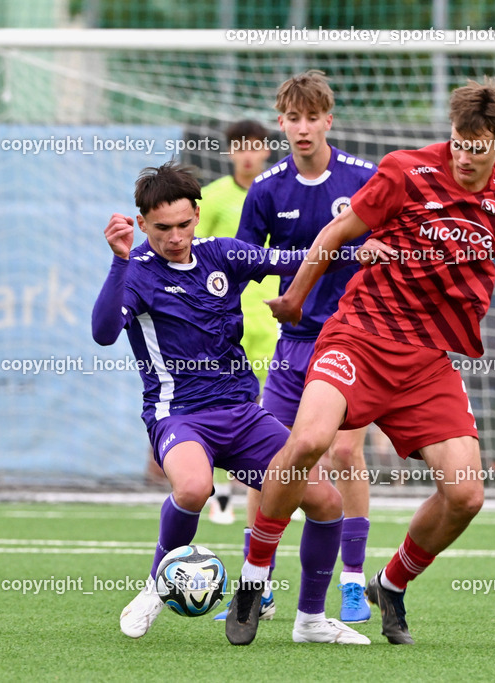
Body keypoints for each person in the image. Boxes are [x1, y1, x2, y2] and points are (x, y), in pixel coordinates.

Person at [225, 76, 495, 647]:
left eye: (478, 148)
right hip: (358, 335)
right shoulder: (405, 170)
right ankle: (255, 577)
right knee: (307, 443)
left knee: (466, 494)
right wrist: (298, 296)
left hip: (428, 363)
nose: (465, 157)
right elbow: (336, 231)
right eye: (458, 142)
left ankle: (391, 583)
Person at [92, 161, 368, 645]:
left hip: (243, 414)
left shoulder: (221, 254)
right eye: (161, 228)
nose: (175, 237)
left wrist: (360, 249)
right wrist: (117, 261)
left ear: (197, 215)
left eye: (183, 224)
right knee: (195, 488)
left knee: (326, 501)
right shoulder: (136, 272)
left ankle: (310, 621)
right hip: (179, 414)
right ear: (141, 225)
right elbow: (103, 333)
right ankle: (157, 586)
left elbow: (297, 260)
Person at [218, 71, 379, 625]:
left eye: (314, 117)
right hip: (293, 346)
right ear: (280, 122)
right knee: (267, 464)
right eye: (293, 117)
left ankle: (353, 584)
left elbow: (393, 243)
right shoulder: (267, 190)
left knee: (344, 452)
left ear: (328, 120)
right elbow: (238, 263)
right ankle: (255, 586)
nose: (303, 127)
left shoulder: (365, 177)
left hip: (356, 342)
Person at [195, 119, 274, 526]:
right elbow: (192, 253)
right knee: (228, 404)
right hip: (228, 320)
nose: (248, 154)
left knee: (271, 409)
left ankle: (271, 488)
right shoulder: (212, 198)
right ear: (229, 152)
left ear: (265, 150)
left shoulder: (278, 192)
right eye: (240, 146)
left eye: (255, 146)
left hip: (275, 318)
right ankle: (221, 495)